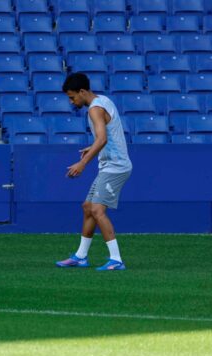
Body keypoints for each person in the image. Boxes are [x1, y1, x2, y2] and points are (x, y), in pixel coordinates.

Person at [56, 72, 132, 271]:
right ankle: (81, 257)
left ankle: (116, 260)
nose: (72, 102)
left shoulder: (94, 109)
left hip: (116, 167)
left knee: (97, 210)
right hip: (110, 165)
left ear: (82, 92)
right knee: (88, 207)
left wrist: (82, 163)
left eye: (72, 97)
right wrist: (92, 147)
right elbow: (108, 134)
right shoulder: (103, 100)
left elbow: (102, 139)